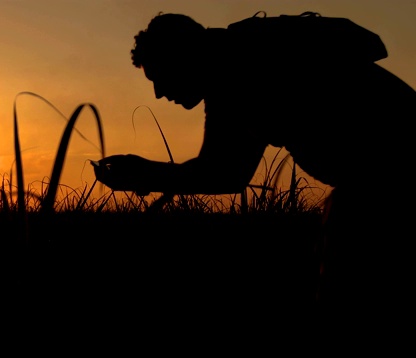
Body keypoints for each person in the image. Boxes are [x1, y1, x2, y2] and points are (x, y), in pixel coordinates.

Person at [93, 12, 415, 317]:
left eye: (160, 75)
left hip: (393, 175)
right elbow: (225, 173)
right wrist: (146, 172)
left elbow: (222, 173)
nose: (159, 93)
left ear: (184, 56)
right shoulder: (234, 64)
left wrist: (144, 173)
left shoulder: (239, 69)